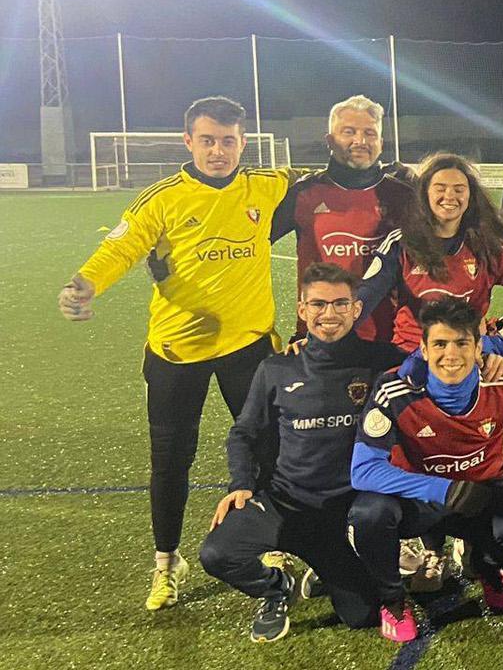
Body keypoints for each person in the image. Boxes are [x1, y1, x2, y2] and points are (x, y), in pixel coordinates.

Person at [58, 95, 291, 610]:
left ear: (242, 143)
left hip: (248, 347)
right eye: (207, 140)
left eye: (228, 141)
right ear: (188, 141)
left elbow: (316, 182)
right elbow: (121, 246)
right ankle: (167, 563)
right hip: (175, 351)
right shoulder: (161, 198)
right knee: (170, 463)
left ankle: (273, 549)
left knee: (268, 452)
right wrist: (84, 284)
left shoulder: (265, 185)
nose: (218, 151)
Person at [200, 264, 397, 641]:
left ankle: (329, 568)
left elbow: (440, 367)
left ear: (357, 308)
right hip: (284, 504)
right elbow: (243, 433)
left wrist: (495, 353)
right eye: (318, 304)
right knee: (217, 553)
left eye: (341, 303)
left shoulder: (382, 361)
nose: (329, 314)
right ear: (303, 309)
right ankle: (275, 587)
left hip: (339, 513)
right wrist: (240, 485)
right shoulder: (277, 368)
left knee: (362, 616)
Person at [348, 300, 503, 642]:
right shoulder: (394, 389)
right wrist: (444, 490)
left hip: (482, 493)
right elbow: (363, 471)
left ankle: (486, 567)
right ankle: (393, 600)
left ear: (478, 347)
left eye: (461, 343)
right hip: (421, 503)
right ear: (423, 349)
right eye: (440, 344)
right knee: (369, 514)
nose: (450, 354)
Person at [357, 152, 503, 350]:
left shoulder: (490, 245)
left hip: (467, 356)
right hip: (410, 353)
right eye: (440, 188)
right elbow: (367, 296)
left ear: (470, 196)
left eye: (459, 189)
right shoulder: (401, 243)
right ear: (425, 193)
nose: (450, 196)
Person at [270, 94, 416, 342]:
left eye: (369, 133)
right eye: (348, 131)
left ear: (380, 142)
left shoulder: (403, 195)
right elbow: (253, 242)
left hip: (387, 340)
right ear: (329, 140)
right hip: (317, 337)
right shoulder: (304, 193)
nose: (360, 141)